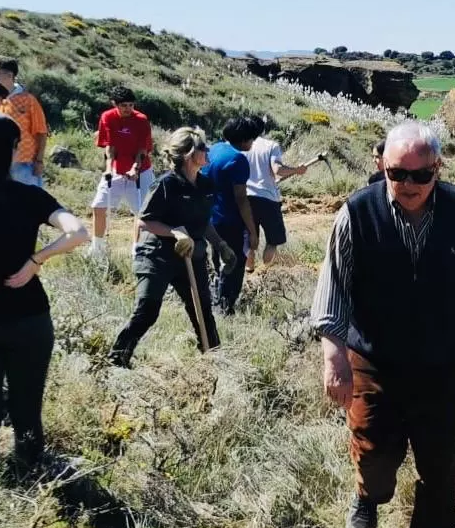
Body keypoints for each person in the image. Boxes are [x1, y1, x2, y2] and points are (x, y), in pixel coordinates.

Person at [313, 122, 455, 528]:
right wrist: (333, 355)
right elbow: (334, 287)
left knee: (441, 467)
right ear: (382, 166)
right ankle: (368, 496)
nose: (409, 185)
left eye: (421, 176)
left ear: (437, 170)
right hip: (375, 360)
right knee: (376, 453)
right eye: (398, 174)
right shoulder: (357, 213)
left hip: (441, 364)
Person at [0, 114, 88, 476]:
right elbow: (78, 233)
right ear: (11, 152)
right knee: (27, 405)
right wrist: (36, 260)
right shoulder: (29, 196)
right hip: (29, 318)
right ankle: (30, 472)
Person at [109, 128, 233, 367]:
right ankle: (118, 359)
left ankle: (214, 359)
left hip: (190, 254)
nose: (207, 152)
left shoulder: (206, 185)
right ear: (188, 154)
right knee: (149, 309)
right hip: (157, 255)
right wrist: (174, 231)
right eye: (203, 148)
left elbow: (203, 221)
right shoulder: (166, 184)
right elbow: (144, 221)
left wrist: (220, 244)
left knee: (203, 310)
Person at [87, 86, 155, 260]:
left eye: (131, 105)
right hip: (116, 170)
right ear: (114, 104)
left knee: (143, 212)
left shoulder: (141, 120)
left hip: (141, 171)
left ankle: (137, 250)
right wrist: (109, 168)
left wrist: (135, 168)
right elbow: (109, 146)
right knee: (99, 206)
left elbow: (142, 149)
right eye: (124, 105)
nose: (128, 109)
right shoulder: (107, 117)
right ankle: (97, 249)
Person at [203, 115, 263, 313]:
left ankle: (214, 297)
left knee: (217, 257)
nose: (252, 143)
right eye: (252, 139)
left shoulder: (214, 149)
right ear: (245, 139)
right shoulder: (238, 159)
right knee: (235, 263)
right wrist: (253, 231)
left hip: (210, 218)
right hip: (230, 220)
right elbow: (241, 199)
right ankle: (226, 305)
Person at [244, 118, 316, 266]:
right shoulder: (270, 146)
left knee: (250, 239)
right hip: (267, 199)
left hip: (245, 199)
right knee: (273, 241)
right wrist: (297, 170)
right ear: (263, 130)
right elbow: (278, 170)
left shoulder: (240, 146)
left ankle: (250, 272)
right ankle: (265, 272)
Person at [0, 59, 48, 186]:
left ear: (9, 76)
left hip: (23, 165)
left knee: (27, 204)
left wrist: (39, 161)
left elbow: (41, 132)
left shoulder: (29, 101)